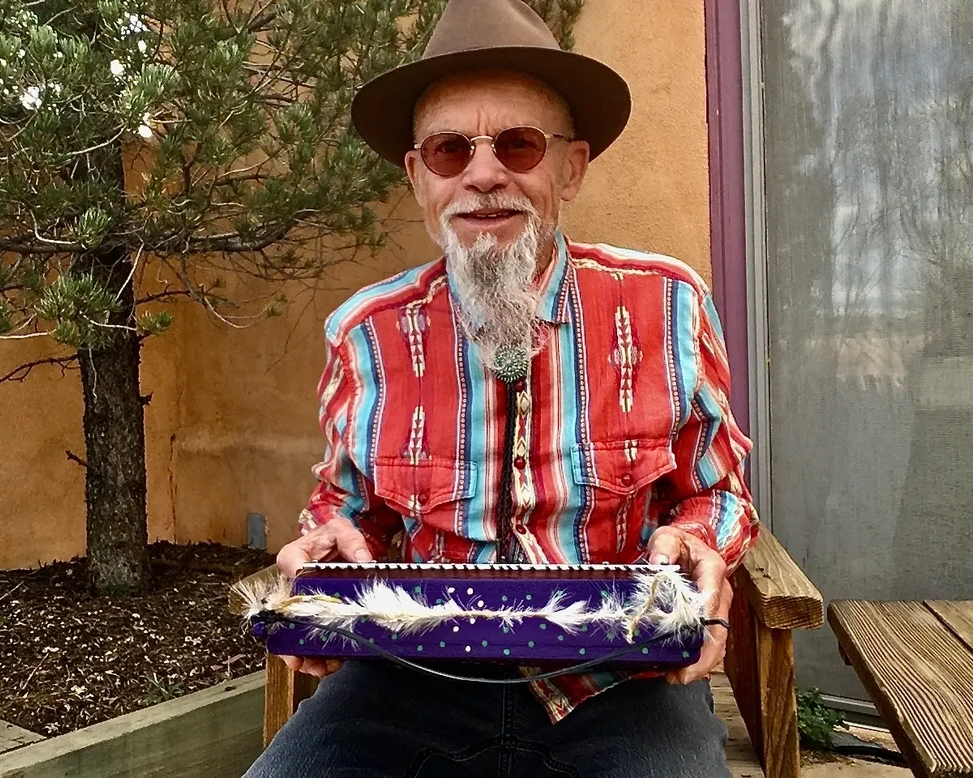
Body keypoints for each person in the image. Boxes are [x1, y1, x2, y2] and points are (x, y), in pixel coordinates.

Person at [243, 0, 759, 775]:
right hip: (410, 678)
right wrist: (327, 549)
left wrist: (697, 544)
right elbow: (350, 506)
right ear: (421, 179)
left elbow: (715, 490)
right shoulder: (364, 333)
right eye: (451, 152)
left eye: (518, 145)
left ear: (571, 168)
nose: (484, 175)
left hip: (619, 681)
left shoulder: (669, 304)